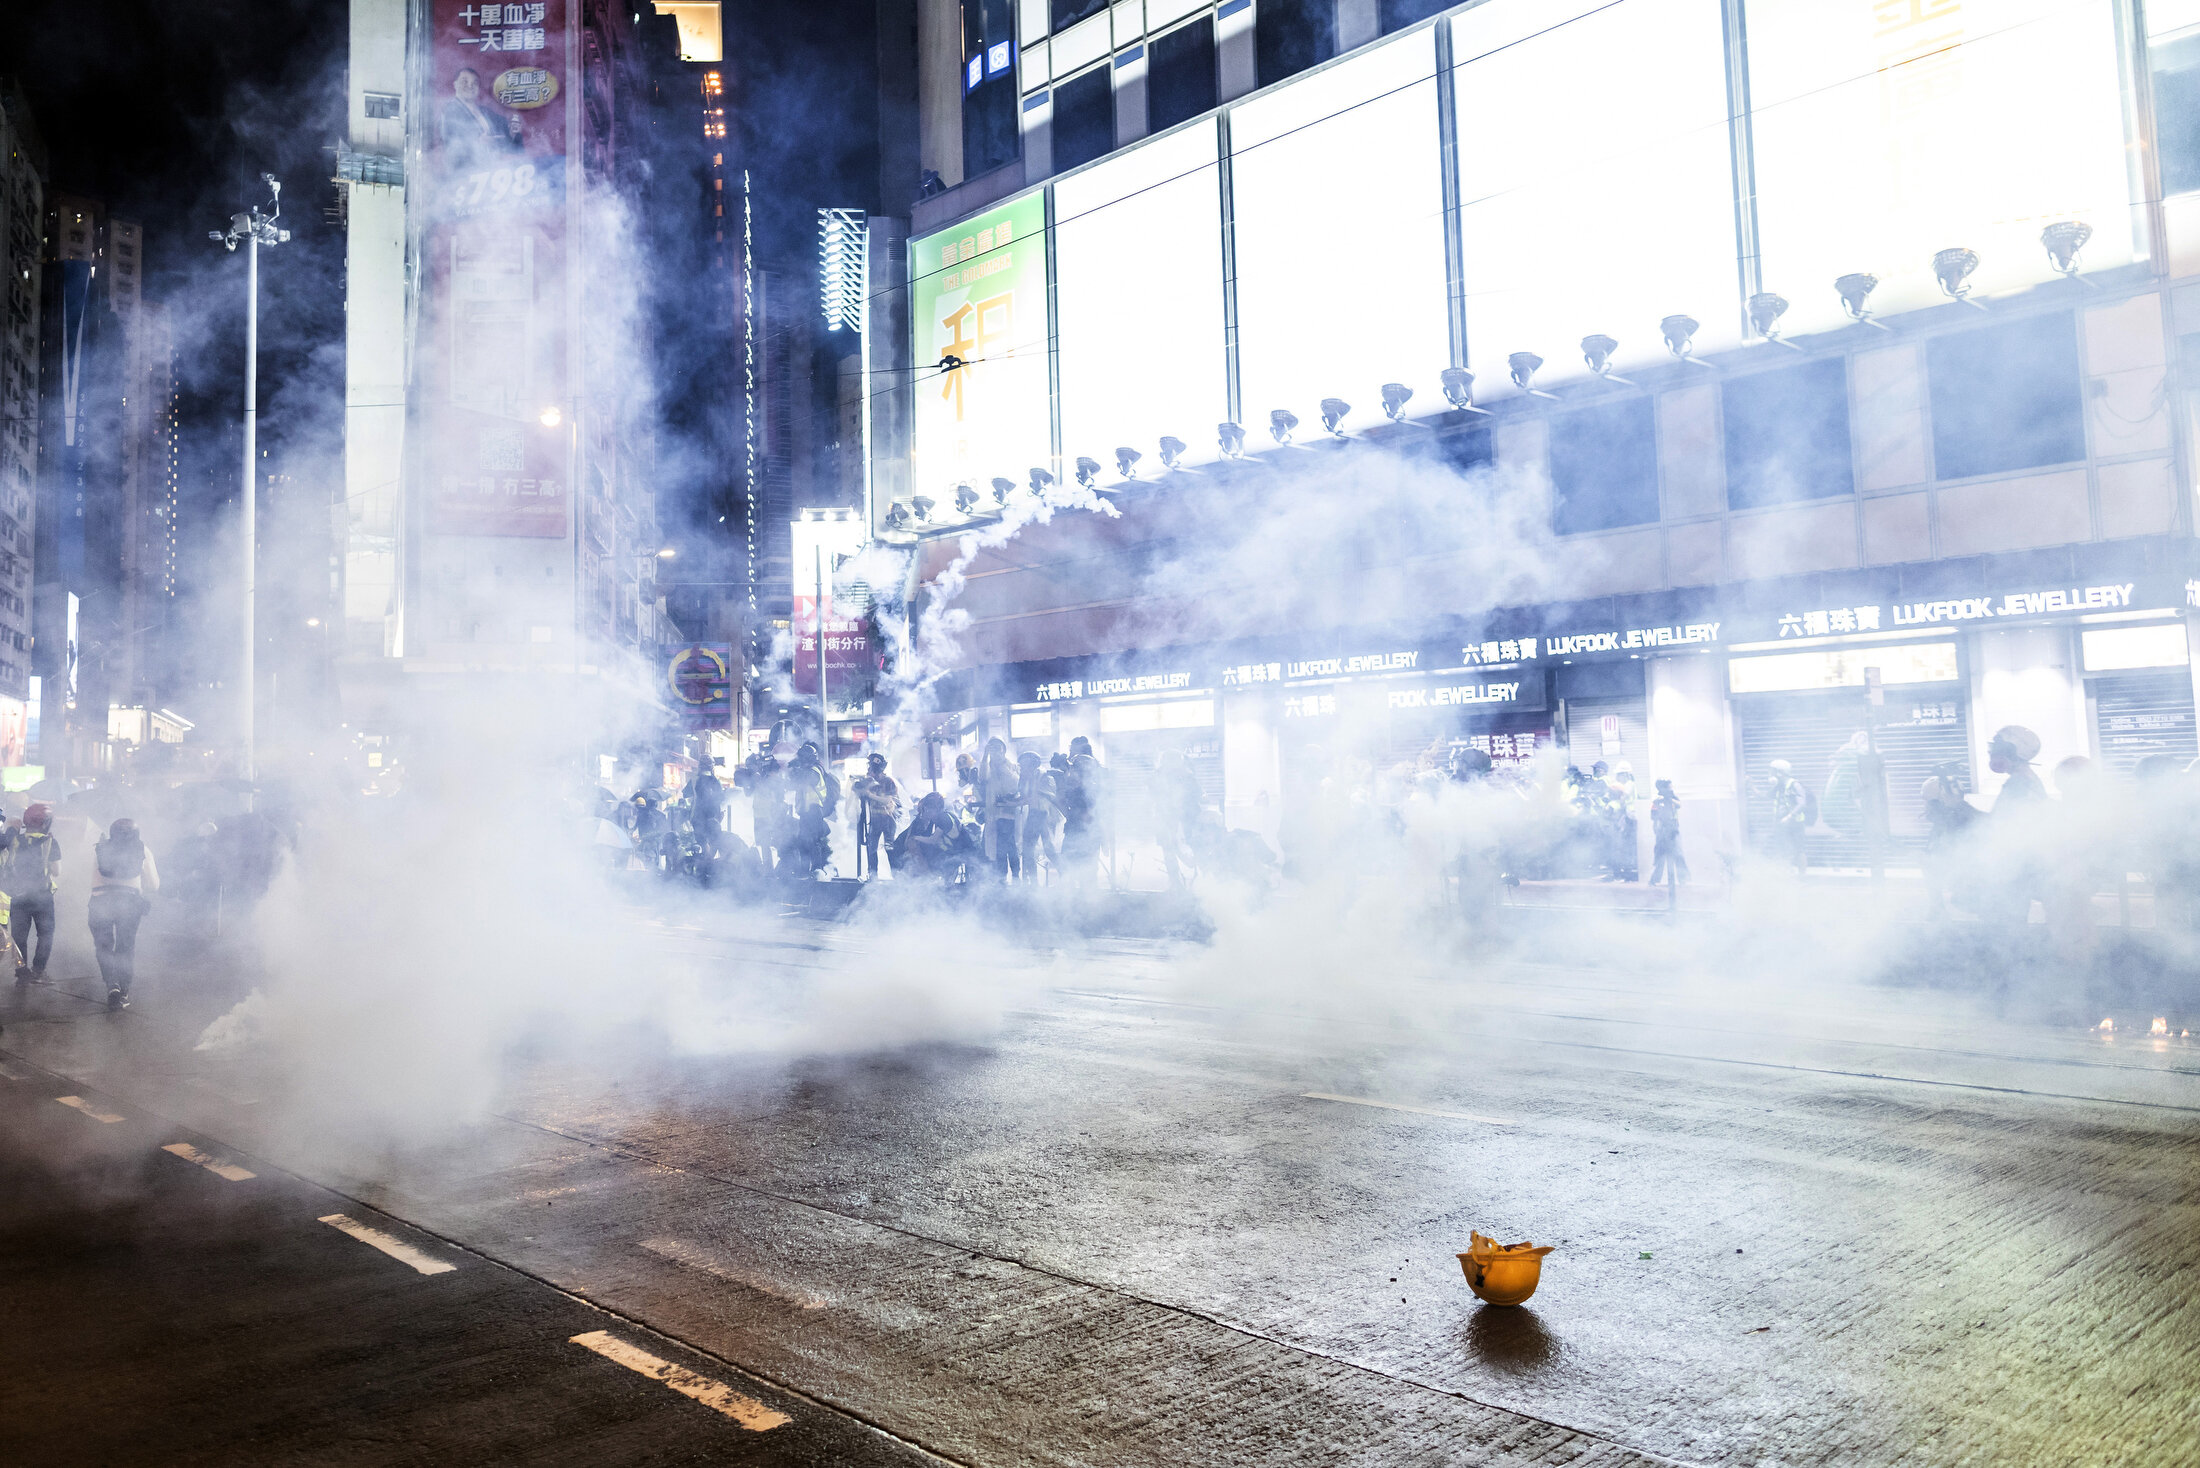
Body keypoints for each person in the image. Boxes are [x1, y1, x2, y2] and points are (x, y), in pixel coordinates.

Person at [88, 818, 157, 1011]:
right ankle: (124, 990)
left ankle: (112, 986)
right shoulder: (143, 850)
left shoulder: (100, 849)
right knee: (125, 946)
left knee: (103, 946)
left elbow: (93, 878)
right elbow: (154, 884)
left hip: (100, 901)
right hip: (130, 903)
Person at [2, 803, 61, 985]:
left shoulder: (14, 840)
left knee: (19, 935)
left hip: (18, 895)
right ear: (46, 823)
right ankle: (38, 971)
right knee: (45, 934)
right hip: (42, 896)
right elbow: (56, 871)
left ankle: (22, 973)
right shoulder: (51, 841)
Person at [1153, 749, 1204, 890]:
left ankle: (1178, 880)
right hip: (1171, 817)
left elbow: (1197, 794)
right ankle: (1183, 879)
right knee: (1174, 848)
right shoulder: (1185, 775)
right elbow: (1198, 794)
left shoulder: (1182, 775)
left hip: (1176, 817)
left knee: (1173, 848)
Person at [852, 751, 902, 878]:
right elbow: (857, 790)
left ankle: (897, 877)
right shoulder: (870, 781)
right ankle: (873, 877)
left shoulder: (888, 781)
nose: (869, 769)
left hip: (888, 820)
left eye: (871, 767)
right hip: (875, 820)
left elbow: (887, 801)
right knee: (871, 849)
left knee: (889, 848)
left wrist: (869, 794)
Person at [979, 738, 1022, 882]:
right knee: (998, 848)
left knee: (1010, 846)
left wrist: (1002, 765)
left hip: (1009, 814)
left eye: (998, 747)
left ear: (1004, 750)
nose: (995, 751)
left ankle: (1016, 875)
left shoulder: (1012, 766)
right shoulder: (987, 766)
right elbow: (982, 777)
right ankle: (1001, 876)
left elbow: (1014, 785)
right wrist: (985, 757)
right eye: (992, 748)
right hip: (994, 815)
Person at [1767, 759, 1809, 874]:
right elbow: (1764, 796)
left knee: (1799, 850)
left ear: (1780, 773)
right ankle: (1788, 874)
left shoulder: (1795, 785)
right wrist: (1751, 787)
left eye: (1772, 771)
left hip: (1795, 824)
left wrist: (1789, 817)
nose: (1770, 775)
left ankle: (1802, 876)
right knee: (1783, 849)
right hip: (1782, 825)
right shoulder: (1779, 786)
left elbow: (1802, 804)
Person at [1650, 778, 1687, 887]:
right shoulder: (1657, 800)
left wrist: (1669, 799)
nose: (1671, 789)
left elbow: (1679, 805)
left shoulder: (1673, 797)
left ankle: (1682, 879)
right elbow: (1653, 816)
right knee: (1660, 856)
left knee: (1678, 854)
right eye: (1668, 787)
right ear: (1661, 788)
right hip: (1662, 831)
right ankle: (1654, 879)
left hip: (1674, 830)